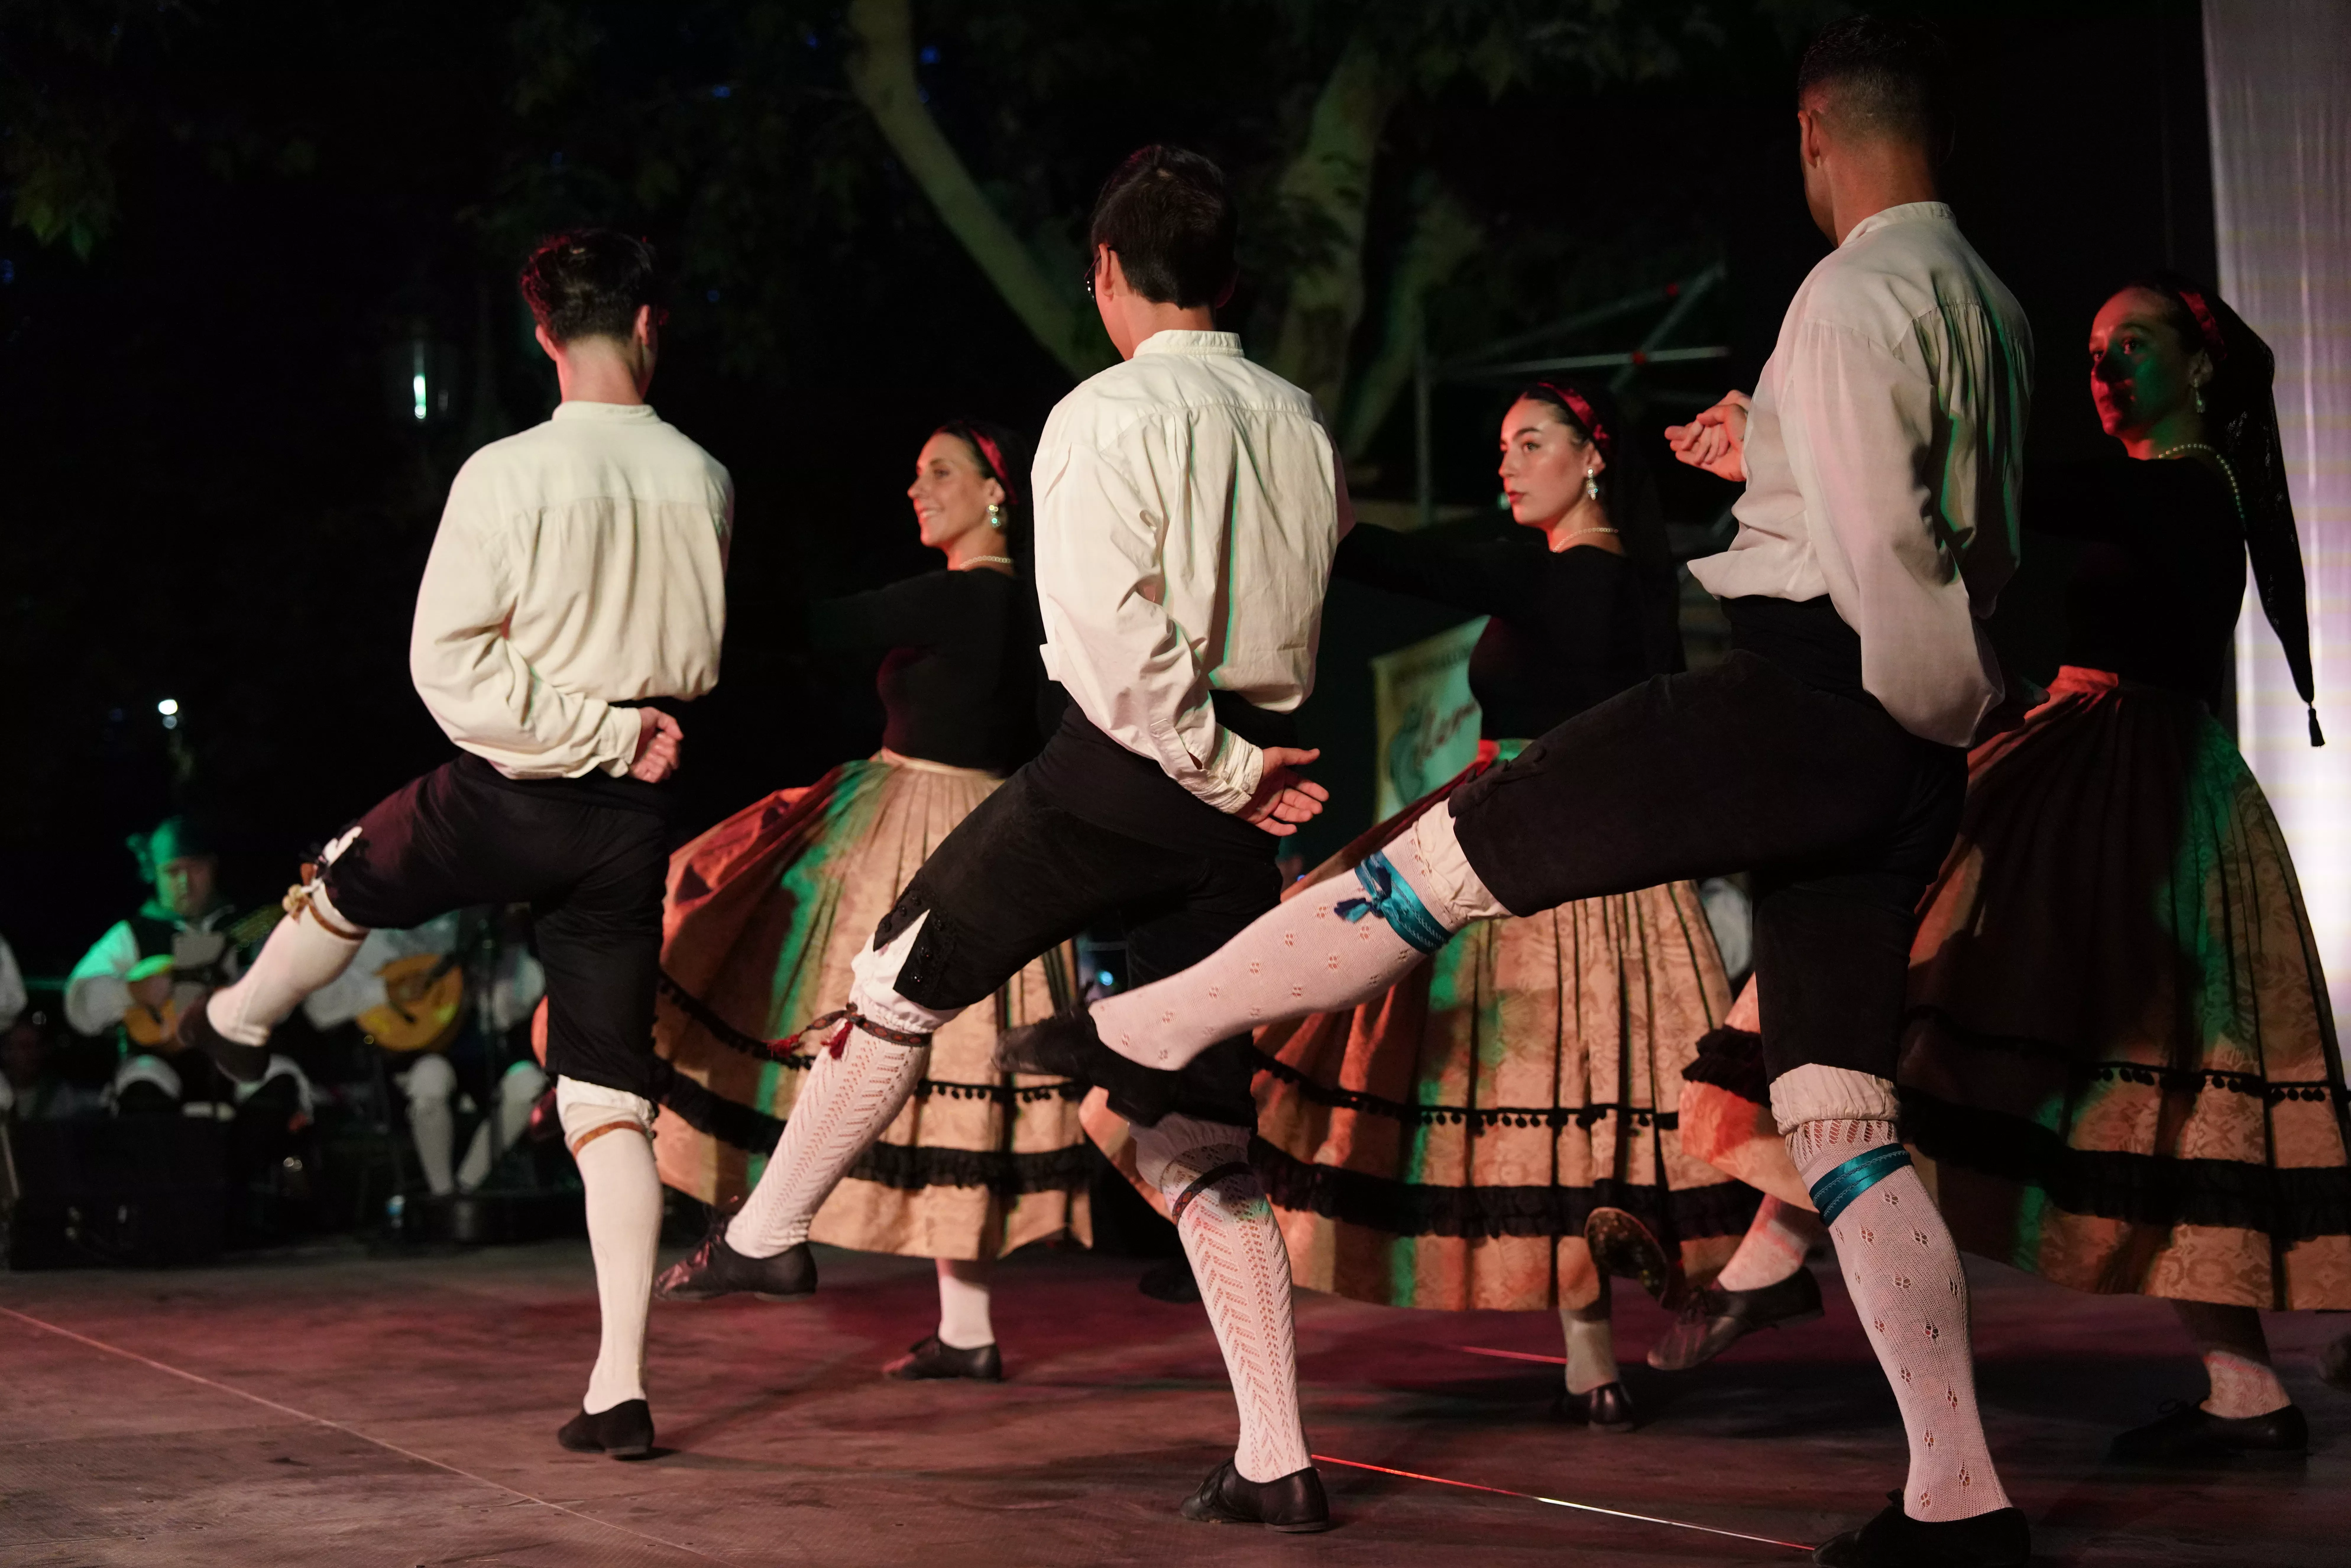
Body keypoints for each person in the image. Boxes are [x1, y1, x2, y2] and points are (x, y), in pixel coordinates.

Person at [1002, 21, 2034, 1567]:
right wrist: (1774, 465)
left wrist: (1886, 676)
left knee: (1430, 861)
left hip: (1818, 704)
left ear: (1817, 132)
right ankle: (1961, 1495)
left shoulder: (1851, 292)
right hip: (1904, 765)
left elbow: (1886, 561)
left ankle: (1153, 1024)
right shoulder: (1991, 302)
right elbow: (1938, 518)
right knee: (1837, 1111)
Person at [655, 145, 1350, 1533]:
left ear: (1104, 272)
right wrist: (1243, 771)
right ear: (1230, 278)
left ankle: (769, 1228)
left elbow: (1119, 645)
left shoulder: (1100, 415)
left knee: (894, 977)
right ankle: (1278, 1454)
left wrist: (1214, 761)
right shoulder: (1300, 419)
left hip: (1122, 781)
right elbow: (1289, 620)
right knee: (1196, 1131)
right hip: (1237, 795)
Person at [176, 229, 731, 1462]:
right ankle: (620, 1386)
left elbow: (446, 665)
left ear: (544, 338)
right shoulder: (703, 477)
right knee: (608, 1099)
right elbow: (693, 665)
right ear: (649, 327)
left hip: (513, 790)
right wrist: (623, 728)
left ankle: (238, 1023)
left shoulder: (505, 473)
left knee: (347, 872)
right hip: (629, 817)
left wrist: (579, 725)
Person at [1228, 381, 1750, 1432]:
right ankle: (1590, 1358)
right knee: (1587, 1107)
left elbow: (1379, 554)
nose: (1504, 465)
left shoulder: (1550, 571)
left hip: (1522, 852)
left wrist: (1299, 454)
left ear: (1590, 458)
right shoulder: (1634, 586)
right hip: (1602, 858)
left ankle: (1591, 1357)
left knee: (1524, 1094)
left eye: (1528, 444)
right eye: (1501, 445)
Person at [1895, 273, 2346, 1461]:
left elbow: (2029, 498)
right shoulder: (2168, 492)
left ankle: (1772, 1254)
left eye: (2129, 347)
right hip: (2090, 764)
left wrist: (1880, 437)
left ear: (2199, 371)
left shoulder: (2196, 491)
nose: (2100, 370)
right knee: (2114, 1066)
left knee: (2139, 1068)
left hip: (2131, 786)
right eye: (2090, 350)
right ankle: (2242, 1390)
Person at [650, 418, 1086, 1383]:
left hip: (921, 822)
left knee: (826, 1012)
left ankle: (769, 1228)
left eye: (940, 472)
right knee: (952, 1087)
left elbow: (814, 627)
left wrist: (677, 574)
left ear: (995, 491)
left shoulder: (968, 596)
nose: (916, 487)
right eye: (916, 470)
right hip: (994, 827)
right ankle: (965, 1328)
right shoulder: (1035, 606)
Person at [64, 817, 311, 1123]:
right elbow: (78, 1005)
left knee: (277, 1087)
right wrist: (131, 990)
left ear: (213, 867)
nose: (185, 884)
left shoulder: (250, 927)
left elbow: (289, 993)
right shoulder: (132, 934)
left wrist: (247, 993)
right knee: (142, 1091)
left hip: (240, 1059)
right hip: (161, 1063)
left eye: (195, 869)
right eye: (172, 873)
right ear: (153, 874)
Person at [302, 908, 549, 1200]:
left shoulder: (467, 925)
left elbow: (509, 1009)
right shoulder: (375, 933)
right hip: (410, 1056)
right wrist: (386, 991)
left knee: (528, 1083)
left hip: (479, 1054)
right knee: (432, 1076)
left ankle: (467, 1186)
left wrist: (501, 955)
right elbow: (319, 1008)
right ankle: (441, 1195)